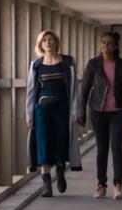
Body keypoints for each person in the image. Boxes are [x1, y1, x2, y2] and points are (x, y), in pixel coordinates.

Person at [77, 31, 122, 200]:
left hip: (119, 111)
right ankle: (101, 185)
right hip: (98, 111)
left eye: (109, 43)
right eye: (103, 42)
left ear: (115, 46)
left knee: (116, 147)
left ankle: (118, 185)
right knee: (102, 148)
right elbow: (84, 89)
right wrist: (81, 111)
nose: (105, 45)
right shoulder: (93, 65)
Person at [25, 29, 82, 198]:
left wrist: (75, 110)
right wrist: (29, 113)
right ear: (40, 45)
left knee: (61, 140)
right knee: (43, 142)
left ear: (56, 42)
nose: (48, 43)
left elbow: (74, 88)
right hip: (42, 110)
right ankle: (46, 184)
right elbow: (30, 90)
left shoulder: (67, 62)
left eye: (51, 40)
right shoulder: (36, 65)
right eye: (44, 40)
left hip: (62, 108)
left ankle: (60, 171)